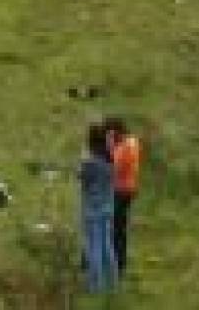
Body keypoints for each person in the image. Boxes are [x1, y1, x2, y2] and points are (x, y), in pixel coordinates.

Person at [78, 120, 118, 293]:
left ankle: (95, 287)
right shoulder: (110, 158)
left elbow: (83, 180)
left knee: (93, 248)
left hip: (92, 210)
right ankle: (112, 283)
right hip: (108, 207)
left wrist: (82, 161)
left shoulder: (90, 162)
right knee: (107, 245)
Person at [106, 116, 141, 275]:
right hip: (128, 188)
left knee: (116, 229)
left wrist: (111, 148)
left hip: (120, 190)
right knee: (119, 227)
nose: (109, 136)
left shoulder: (124, 146)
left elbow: (114, 168)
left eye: (110, 133)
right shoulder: (133, 142)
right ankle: (118, 263)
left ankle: (118, 265)